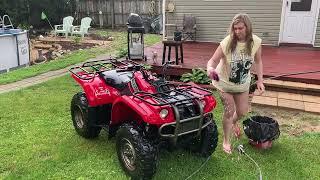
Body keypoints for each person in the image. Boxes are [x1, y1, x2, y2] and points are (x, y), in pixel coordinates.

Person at [206, 13, 265, 154]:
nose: (237, 31)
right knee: (229, 111)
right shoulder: (227, 42)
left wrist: (260, 80)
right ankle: (226, 140)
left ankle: (232, 123)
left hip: (243, 84)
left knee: (242, 111)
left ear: (248, 28)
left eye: (240, 28)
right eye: (235, 28)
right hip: (224, 83)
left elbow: (258, 61)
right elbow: (212, 61)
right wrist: (210, 69)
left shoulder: (255, 42)